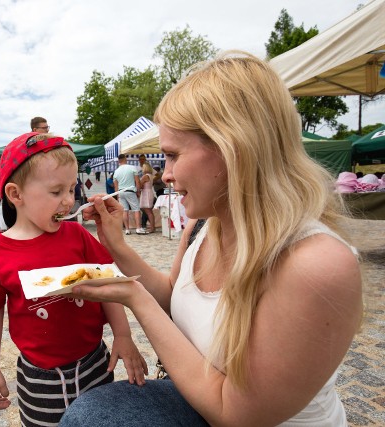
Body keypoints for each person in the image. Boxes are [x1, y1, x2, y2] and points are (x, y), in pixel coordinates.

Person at [59, 52, 363, 426]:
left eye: (171, 155)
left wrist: (134, 297)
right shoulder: (203, 226)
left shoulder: (314, 264)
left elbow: (235, 413)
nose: (164, 175)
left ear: (232, 148)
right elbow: (175, 298)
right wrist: (117, 247)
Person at [0, 132, 147, 426]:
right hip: (39, 378)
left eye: (71, 189)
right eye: (56, 192)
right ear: (16, 195)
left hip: (95, 363)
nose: (68, 201)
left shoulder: (77, 235)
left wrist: (124, 336)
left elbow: (108, 284)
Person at [113, 154, 144, 235]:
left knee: (125, 211)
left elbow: (115, 185)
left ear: (119, 161)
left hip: (120, 192)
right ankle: (138, 228)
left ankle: (127, 229)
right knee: (136, 210)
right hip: (130, 190)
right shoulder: (132, 168)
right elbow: (137, 181)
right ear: (125, 159)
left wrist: (117, 196)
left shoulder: (116, 171)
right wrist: (138, 191)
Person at [138, 162, 155, 233]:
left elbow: (140, 185)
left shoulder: (145, 176)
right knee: (149, 211)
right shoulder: (150, 175)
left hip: (146, 193)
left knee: (148, 211)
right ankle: (152, 226)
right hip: (149, 192)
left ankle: (152, 227)